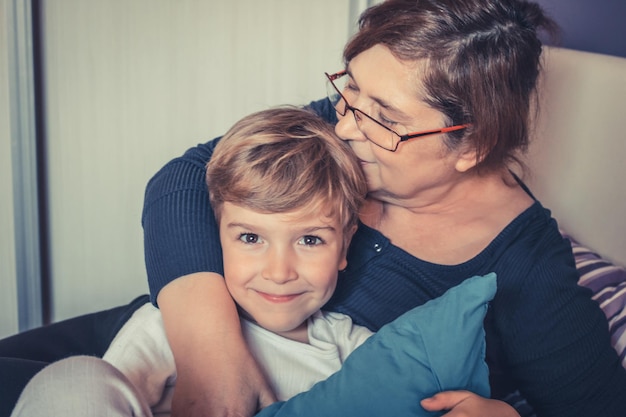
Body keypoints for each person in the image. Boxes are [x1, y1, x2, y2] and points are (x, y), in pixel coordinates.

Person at [1, 1, 626, 416]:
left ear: (474, 144)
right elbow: (188, 175)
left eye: (383, 118)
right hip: (164, 336)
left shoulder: (525, 261)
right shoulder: (345, 124)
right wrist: (209, 348)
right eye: (350, 87)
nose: (344, 125)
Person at [8, 107, 505, 417]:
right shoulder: (163, 329)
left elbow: (404, 398)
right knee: (75, 378)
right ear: (214, 236)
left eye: (310, 241)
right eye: (250, 237)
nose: (279, 270)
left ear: (346, 245)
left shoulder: (352, 349)